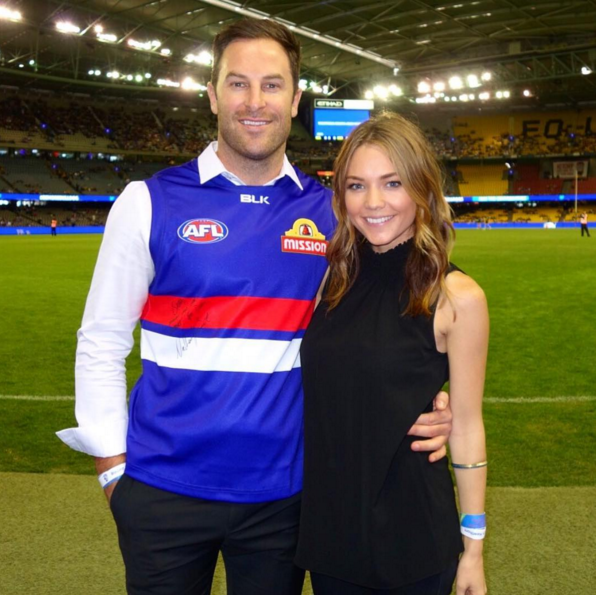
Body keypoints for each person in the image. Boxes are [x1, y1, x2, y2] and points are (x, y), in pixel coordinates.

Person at [57, 20, 453, 595]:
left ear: (294, 100)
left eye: (272, 86)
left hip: (285, 500)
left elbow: (394, 317)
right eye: (237, 84)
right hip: (163, 490)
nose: (254, 102)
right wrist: (113, 469)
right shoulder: (147, 202)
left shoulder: (334, 215)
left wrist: (438, 405)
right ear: (213, 94)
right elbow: (101, 339)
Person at [295, 112, 489, 595]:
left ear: (422, 188)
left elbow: (466, 425)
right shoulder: (332, 280)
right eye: (357, 186)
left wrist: (474, 550)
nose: (374, 202)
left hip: (414, 541)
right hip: (332, 537)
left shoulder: (456, 296)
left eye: (393, 183)